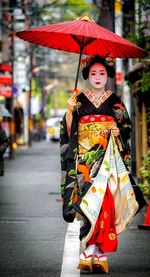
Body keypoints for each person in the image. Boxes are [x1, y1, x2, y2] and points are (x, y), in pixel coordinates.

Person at [60, 55, 146, 273]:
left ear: (107, 76)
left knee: (104, 203)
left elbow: (126, 128)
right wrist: (70, 111)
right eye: (93, 73)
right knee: (88, 202)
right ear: (87, 76)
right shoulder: (78, 100)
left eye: (102, 73)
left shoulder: (115, 100)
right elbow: (70, 131)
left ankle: (99, 251)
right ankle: (90, 247)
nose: (98, 77)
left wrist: (118, 132)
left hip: (107, 158)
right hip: (85, 161)